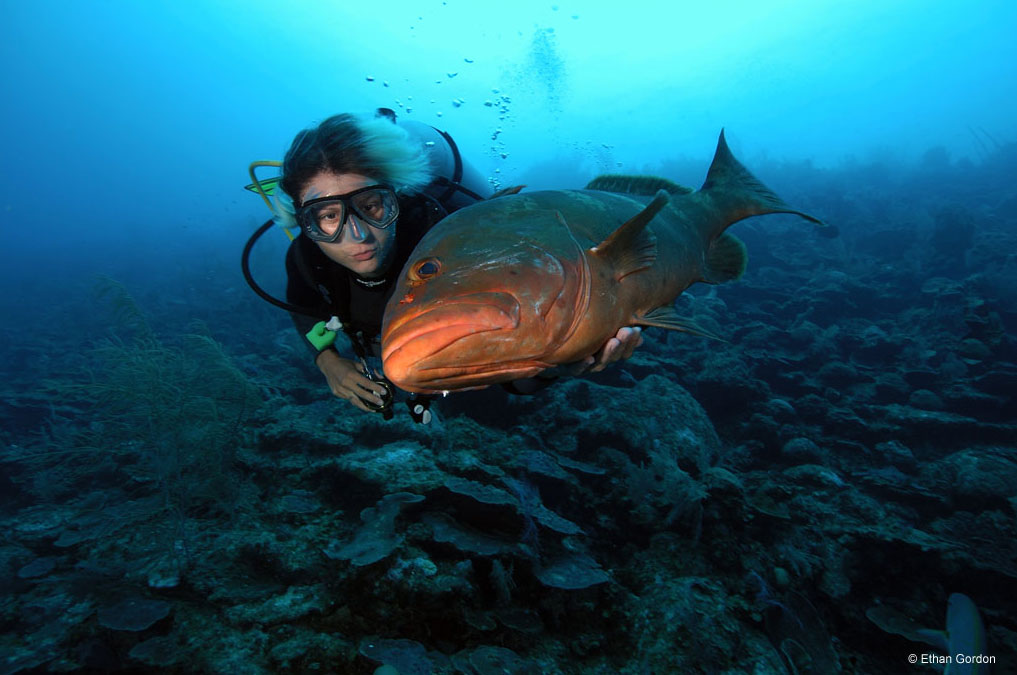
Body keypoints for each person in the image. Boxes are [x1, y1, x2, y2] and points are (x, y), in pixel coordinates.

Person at [275, 109, 643, 417]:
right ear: (303, 221)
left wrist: (563, 356)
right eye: (326, 216)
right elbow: (306, 312)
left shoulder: (450, 242)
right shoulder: (307, 261)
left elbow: (518, 376)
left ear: (397, 199)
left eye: (371, 206)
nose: (356, 235)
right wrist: (327, 361)